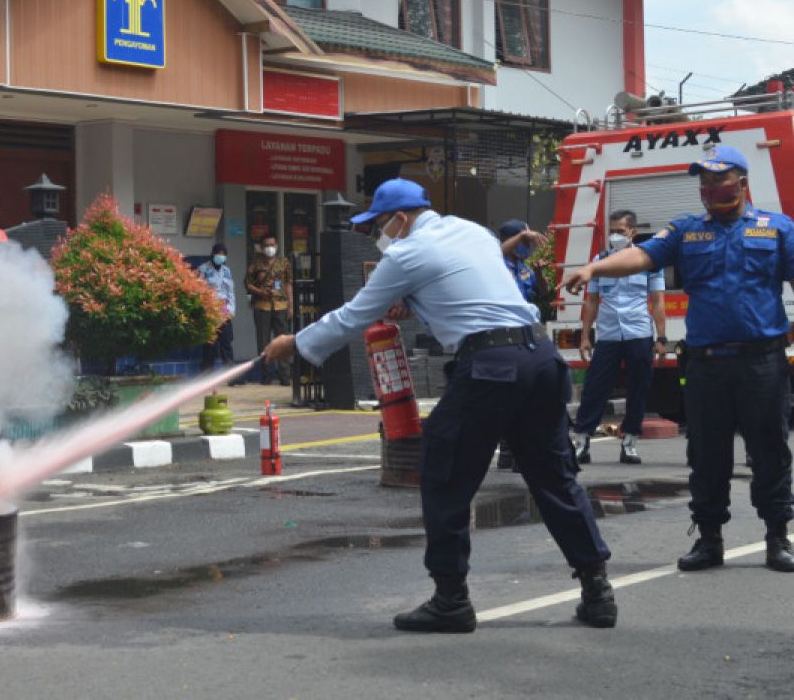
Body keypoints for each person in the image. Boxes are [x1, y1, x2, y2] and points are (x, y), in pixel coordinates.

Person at [263, 178, 616, 632]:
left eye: (378, 227)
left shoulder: (406, 253)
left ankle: (451, 599)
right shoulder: (472, 232)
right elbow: (465, 285)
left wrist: (294, 343)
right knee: (554, 478)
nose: (378, 237)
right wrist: (417, 302)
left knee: (444, 472)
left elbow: (354, 316)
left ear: (400, 219)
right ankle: (597, 590)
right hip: (540, 361)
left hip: (491, 366)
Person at [562, 145, 794, 573]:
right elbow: (644, 254)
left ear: (741, 183)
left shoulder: (775, 229)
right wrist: (595, 269)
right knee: (706, 452)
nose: (708, 188)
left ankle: (777, 536)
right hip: (706, 365)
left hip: (762, 362)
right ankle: (709, 539)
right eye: (703, 181)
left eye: (717, 179)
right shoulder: (687, 231)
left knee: (770, 450)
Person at [572, 210, 667, 465]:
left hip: (639, 333)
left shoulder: (649, 261)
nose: (615, 236)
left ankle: (630, 443)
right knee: (595, 388)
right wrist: (585, 336)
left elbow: (657, 301)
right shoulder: (599, 261)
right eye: (612, 230)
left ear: (633, 232)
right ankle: (582, 441)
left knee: (639, 388)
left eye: (620, 231)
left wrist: (662, 337)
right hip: (609, 334)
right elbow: (591, 300)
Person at [494, 219, 548, 470]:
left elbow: (542, 293)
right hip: (503, 337)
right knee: (507, 395)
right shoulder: (495, 262)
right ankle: (508, 450)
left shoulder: (525, 269)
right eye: (524, 242)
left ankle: (515, 451)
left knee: (526, 394)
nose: (528, 247)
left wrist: (538, 273)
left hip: (527, 337)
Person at [245, 234, 293, 386]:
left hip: (281, 306)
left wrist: (291, 305)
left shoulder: (284, 263)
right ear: (262, 247)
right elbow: (247, 284)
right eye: (266, 245)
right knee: (263, 342)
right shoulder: (256, 264)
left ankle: (285, 376)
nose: (269, 248)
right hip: (262, 306)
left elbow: (288, 284)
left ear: (276, 245)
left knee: (283, 342)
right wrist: (260, 292)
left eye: (272, 245)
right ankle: (266, 376)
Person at [198, 243, 238, 378]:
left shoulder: (227, 271)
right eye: (218, 253)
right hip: (210, 311)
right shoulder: (203, 269)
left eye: (223, 254)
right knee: (210, 345)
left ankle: (230, 376)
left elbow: (230, 292)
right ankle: (206, 375)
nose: (221, 256)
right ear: (213, 253)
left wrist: (230, 311)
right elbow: (199, 291)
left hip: (224, 311)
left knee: (226, 344)